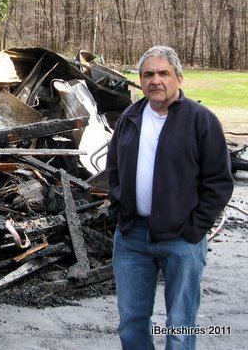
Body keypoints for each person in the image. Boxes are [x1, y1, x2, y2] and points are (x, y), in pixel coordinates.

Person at [106, 45, 234, 349]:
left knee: (180, 325)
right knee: (131, 323)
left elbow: (219, 182)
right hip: (133, 237)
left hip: (181, 238)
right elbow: (113, 169)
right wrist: (120, 212)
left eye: (163, 73)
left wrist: (194, 228)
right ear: (141, 80)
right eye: (148, 74)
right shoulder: (130, 118)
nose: (156, 80)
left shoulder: (201, 121)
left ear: (179, 78)